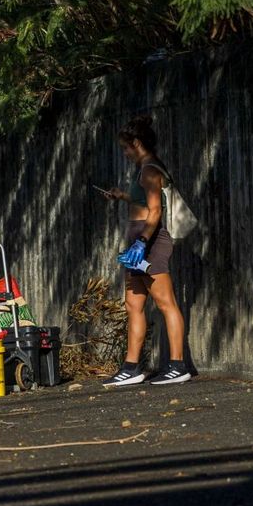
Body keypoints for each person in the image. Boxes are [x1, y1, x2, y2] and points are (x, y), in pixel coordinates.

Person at [99, 116, 191, 386]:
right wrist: (122, 196)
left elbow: (155, 211)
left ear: (137, 143)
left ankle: (177, 365)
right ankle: (131, 367)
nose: (125, 154)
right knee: (133, 304)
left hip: (150, 243)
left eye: (126, 148)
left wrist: (142, 243)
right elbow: (143, 201)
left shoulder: (150, 169)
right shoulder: (143, 170)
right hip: (138, 243)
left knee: (165, 303)